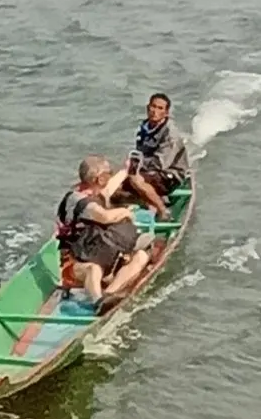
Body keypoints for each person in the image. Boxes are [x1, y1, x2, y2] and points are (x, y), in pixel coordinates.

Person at [56, 156, 153, 308]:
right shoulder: (79, 201)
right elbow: (105, 217)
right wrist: (125, 212)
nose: (110, 177)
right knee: (93, 269)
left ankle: (108, 296)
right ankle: (97, 300)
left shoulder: (96, 192)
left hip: (102, 253)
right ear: (99, 178)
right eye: (108, 173)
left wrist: (126, 170)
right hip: (77, 262)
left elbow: (109, 187)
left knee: (141, 256)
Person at [124, 92, 191, 220]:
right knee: (117, 179)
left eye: (160, 108)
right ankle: (147, 202)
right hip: (149, 170)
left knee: (135, 179)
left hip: (170, 174)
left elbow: (160, 163)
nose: (155, 111)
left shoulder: (171, 134)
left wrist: (137, 166)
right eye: (153, 106)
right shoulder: (144, 128)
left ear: (166, 113)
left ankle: (163, 211)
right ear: (147, 108)